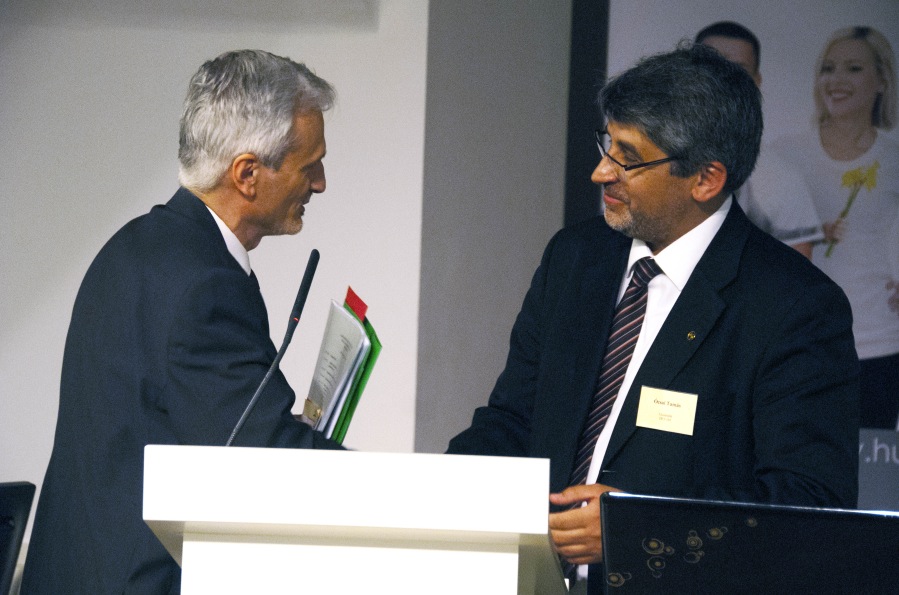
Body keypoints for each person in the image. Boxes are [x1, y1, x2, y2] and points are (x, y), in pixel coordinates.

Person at [447, 43, 859, 595]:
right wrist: (434, 492)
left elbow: (809, 505)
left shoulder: (795, 306)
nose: (600, 172)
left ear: (706, 179)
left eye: (628, 157)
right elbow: (512, 422)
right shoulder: (575, 258)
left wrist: (638, 529)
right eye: (606, 144)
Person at [21, 50, 344, 594]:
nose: (320, 183)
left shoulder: (135, 246)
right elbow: (267, 463)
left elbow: (205, 424)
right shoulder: (203, 285)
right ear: (247, 174)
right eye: (309, 165)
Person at [772, 27, 899, 430]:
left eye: (854, 68)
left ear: (882, 81)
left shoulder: (894, 156)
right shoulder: (784, 153)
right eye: (828, 68)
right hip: (798, 341)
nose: (836, 79)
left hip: (879, 342)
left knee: (869, 459)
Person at [696, 21, 823, 258]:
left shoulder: (783, 180)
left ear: (756, 82)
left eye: (738, 70)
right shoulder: (645, 157)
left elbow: (794, 275)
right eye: (711, 66)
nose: (722, 79)